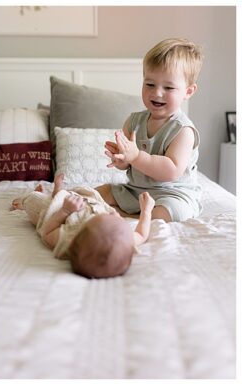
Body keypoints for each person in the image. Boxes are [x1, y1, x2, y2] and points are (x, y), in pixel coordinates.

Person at [99, 37, 204, 222]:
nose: (157, 93)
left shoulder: (183, 130)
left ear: (188, 91)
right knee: (98, 193)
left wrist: (136, 156)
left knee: (168, 212)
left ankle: (127, 216)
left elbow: (171, 171)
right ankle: (65, 199)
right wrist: (122, 159)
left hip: (172, 194)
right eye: (150, 84)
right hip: (136, 191)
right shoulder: (134, 121)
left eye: (169, 87)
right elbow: (128, 165)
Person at [12, 174, 154, 278]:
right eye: (116, 217)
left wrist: (65, 211)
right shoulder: (126, 241)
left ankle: (24, 201)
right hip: (86, 203)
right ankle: (57, 193)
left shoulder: (70, 239)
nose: (115, 214)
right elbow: (141, 234)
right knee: (82, 195)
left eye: (111, 217)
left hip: (56, 214)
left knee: (36, 201)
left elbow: (47, 232)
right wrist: (146, 211)